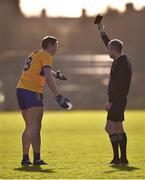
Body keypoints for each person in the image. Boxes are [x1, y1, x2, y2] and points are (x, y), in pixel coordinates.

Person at [16, 36, 71, 166]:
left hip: (21, 90)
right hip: (32, 92)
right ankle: (37, 159)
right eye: (56, 45)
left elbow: (42, 70)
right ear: (50, 46)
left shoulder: (35, 54)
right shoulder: (46, 55)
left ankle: (25, 158)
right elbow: (46, 75)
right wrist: (57, 95)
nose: (57, 48)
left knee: (29, 126)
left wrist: (56, 74)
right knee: (36, 126)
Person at [97, 21, 132, 165]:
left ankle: (119, 158)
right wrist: (102, 31)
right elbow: (110, 44)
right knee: (117, 127)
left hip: (117, 100)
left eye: (109, 49)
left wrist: (111, 101)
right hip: (119, 100)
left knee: (111, 127)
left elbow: (120, 85)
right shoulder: (120, 59)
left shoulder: (122, 63)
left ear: (114, 50)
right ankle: (120, 159)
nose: (107, 51)